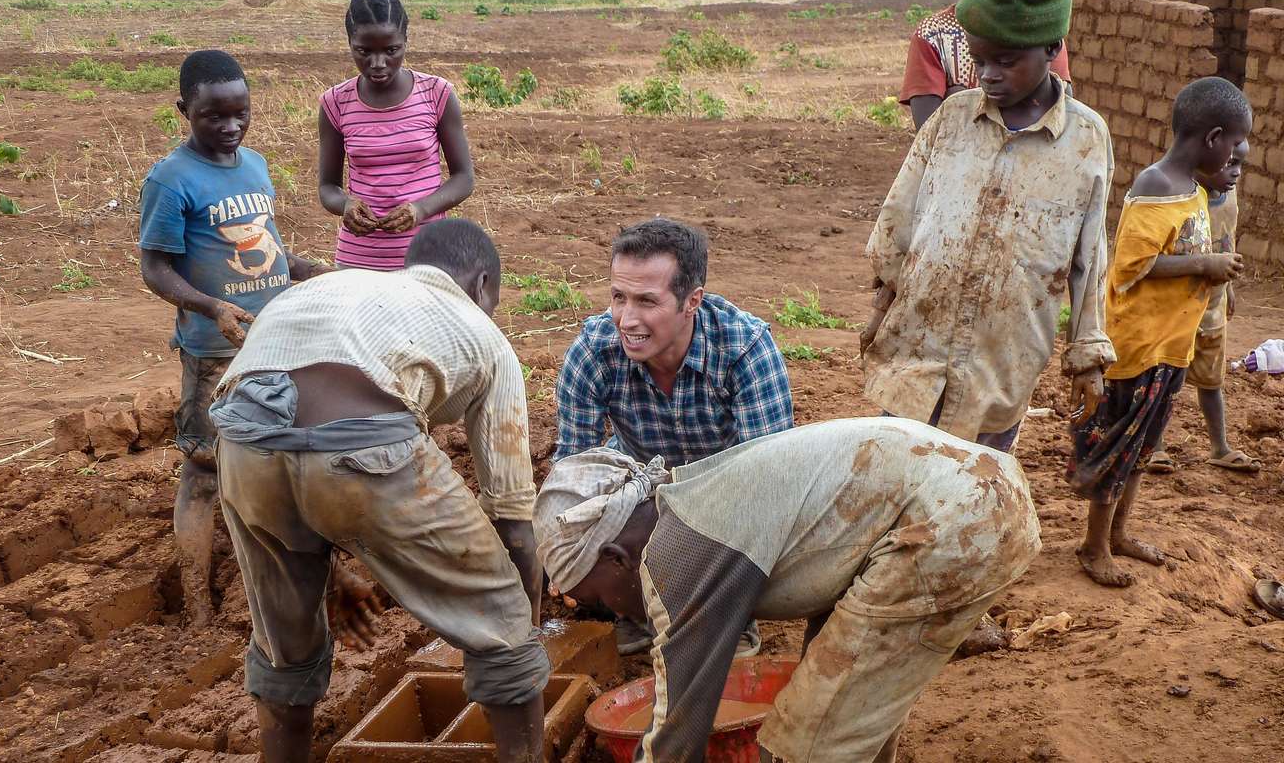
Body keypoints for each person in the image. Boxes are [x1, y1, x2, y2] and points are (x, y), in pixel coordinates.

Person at [208, 220, 549, 762]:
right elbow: (512, 521)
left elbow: (288, 440)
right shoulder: (483, 334)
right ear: (483, 284)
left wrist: (333, 567)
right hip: (363, 443)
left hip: (241, 448)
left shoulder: (331, 288)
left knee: (284, 651)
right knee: (502, 623)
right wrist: (525, 627)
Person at [535, 418, 1041, 763]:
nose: (612, 612)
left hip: (956, 521)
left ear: (615, 558)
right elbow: (836, 584)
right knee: (838, 705)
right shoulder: (695, 501)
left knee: (802, 745)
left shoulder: (676, 557)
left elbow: (677, 730)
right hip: (982, 489)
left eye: (600, 599)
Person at [863, 0, 1114, 454]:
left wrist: (1087, 358)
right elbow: (900, 222)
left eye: (1005, 61)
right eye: (978, 61)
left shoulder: (1086, 140)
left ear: (1051, 48)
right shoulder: (952, 119)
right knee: (894, 469)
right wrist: (878, 312)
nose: (988, 74)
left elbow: (1090, 257)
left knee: (973, 486)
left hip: (1004, 356)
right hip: (919, 342)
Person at [138, 49, 329, 627]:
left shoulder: (255, 165)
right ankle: (197, 603)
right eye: (213, 117)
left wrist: (307, 270)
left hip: (275, 338)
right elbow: (155, 268)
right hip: (215, 348)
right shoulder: (170, 181)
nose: (229, 127)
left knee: (288, 454)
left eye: (239, 113)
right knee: (203, 469)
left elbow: (263, 247)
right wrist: (211, 305)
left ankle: (303, 577)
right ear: (183, 112)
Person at [553, 217, 793, 655]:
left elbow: (768, 486)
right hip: (643, 489)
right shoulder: (593, 352)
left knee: (760, 513)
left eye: (647, 301)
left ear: (691, 301)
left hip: (727, 493)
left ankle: (725, 613)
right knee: (591, 539)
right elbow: (574, 473)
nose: (627, 319)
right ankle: (633, 608)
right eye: (618, 297)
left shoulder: (744, 349)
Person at [1068, 77, 1251, 588]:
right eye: (1235, 145)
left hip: (1171, 348)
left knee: (1143, 448)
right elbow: (1130, 267)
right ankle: (1094, 545)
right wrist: (1206, 262)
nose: (1237, 157)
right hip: (1135, 350)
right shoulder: (1155, 186)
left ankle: (1120, 535)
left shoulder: (1193, 186)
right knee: (1117, 448)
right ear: (1213, 137)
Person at [318, 0, 475, 270]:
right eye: (364, 51)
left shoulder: (436, 94)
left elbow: (464, 178)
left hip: (428, 257)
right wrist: (346, 206)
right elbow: (328, 187)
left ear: (405, 41)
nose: (378, 63)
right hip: (360, 260)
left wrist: (420, 209)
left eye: (391, 50)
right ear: (350, 43)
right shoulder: (336, 102)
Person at [1143, 140, 1261, 474]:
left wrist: (1231, 287)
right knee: (1165, 381)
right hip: (1177, 311)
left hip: (1213, 307)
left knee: (1212, 382)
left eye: (1241, 164)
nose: (1236, 172)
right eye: (1229, 163)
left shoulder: (1230, 197)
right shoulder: (1180, 198)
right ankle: (1156, 446)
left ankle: (1219, 446)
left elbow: (1228, 239)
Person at [901, 0, 1073, 130]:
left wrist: (957, 95)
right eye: (978, 61)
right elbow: (929, 129)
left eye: (1006, 62)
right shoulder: (934, 34)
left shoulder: (1035, 35)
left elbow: (1060, 107)